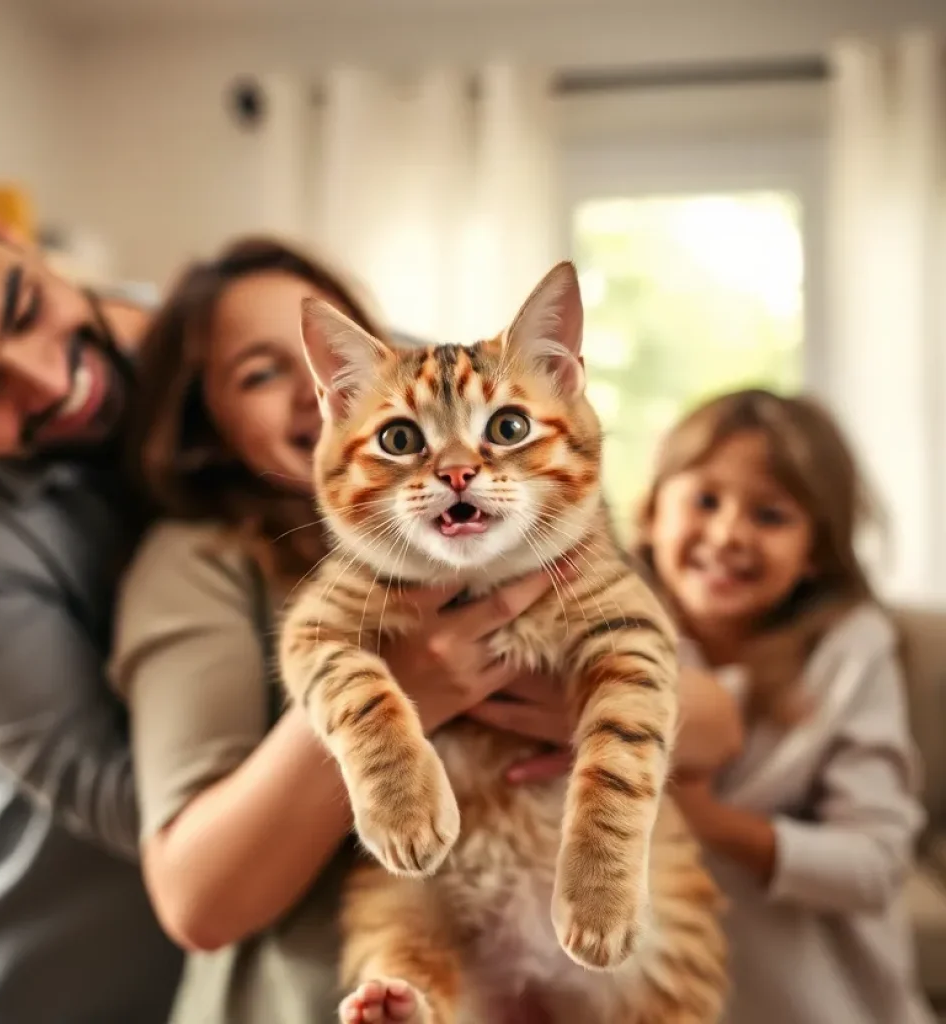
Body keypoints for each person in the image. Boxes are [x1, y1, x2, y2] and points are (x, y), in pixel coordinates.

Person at [108, 236, 745, 1023]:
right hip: (347, 970)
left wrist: (590, 717)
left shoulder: (559, 532)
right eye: (261, 373)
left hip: (613, 945)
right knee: (401, 932)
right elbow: (196, 901)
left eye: (502, 432)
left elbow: (711, 718)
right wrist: (398, 706)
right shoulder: (200, 561)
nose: (455, 472)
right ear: (207, 413)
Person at [0, 184, 181, 1023]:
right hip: (59, 986)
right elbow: (119, 796)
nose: (49, 381)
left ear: (1, 232)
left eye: (23, 307)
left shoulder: (240, 329)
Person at [636, 387, 935, 1024]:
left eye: (770, 516)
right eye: (705, 500)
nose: (727, 534)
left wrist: (711, 822)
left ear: (815, 553)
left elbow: (876, 865)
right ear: (651, 512)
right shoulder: (601, 624)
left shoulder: (849, 649)